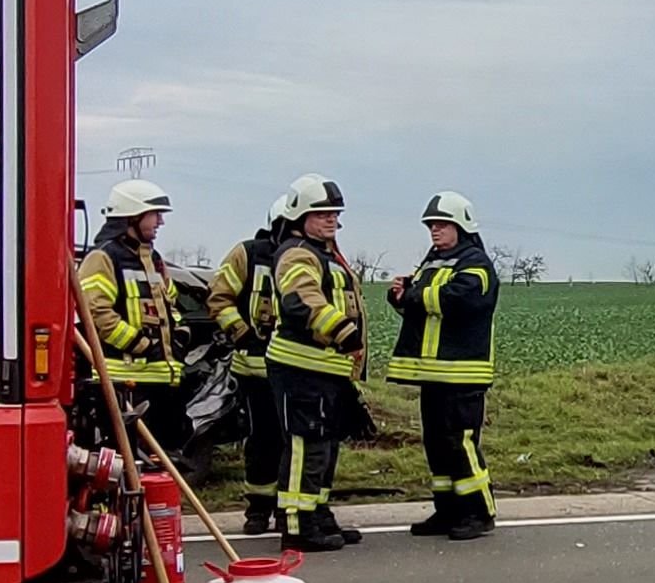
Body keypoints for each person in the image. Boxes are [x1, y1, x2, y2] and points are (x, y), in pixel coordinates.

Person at [386, 189, 501, 538]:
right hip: (433, 373)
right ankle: (448, 510)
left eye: (442, 224)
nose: (435, 230)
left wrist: (414, 294)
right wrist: (399, 295)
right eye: (431, 225)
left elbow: (457, 298)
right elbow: (418, 304)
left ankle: (480, 513)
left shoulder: (476, 264)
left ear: (461, 226)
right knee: (436, 444)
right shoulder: (433, 262)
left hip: (463, 374)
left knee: (460, 442)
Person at [265, 178, 368, 553]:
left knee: (324, 448)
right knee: (306, 447)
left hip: (326, 371)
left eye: (335, 214)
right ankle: (298, 524)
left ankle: (317, 513)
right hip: (301, 370)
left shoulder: (323, 253)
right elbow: (301, 301)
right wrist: (344, 332)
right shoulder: (296, 254)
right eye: (322, 213)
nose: (331, 220)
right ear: (299, 216)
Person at [207, 185, 295, 537]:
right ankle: (258, 509)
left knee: (296, 442)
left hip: (296, 368)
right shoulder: (247, 254)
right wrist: (240, 331)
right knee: (262, 439)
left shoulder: (311, 255)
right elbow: (219, 297)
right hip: (255, 369)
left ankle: (289, 508)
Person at [79, 179, 180, 408]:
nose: (161, 221)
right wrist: (141, 344)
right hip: (123, 380)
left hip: (162, 378)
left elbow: (170, 304)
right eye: (155, 214)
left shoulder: (154, 260)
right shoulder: (103, 258)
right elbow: (96, 313)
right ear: (134, 216)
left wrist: (180, 332)